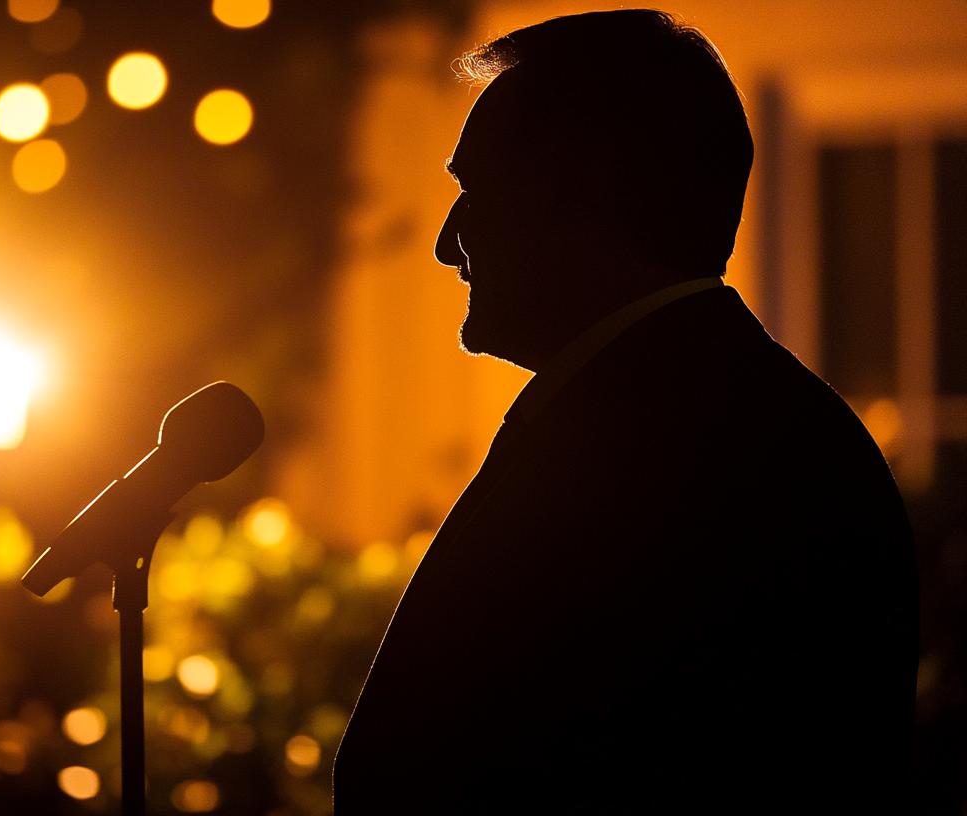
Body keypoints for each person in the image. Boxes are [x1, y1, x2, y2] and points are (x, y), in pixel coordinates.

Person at [332, 10, 918, 812]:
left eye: (475, 191)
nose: (446, 241)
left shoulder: (676, 451)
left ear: (580, 198)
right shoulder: (727, 418)